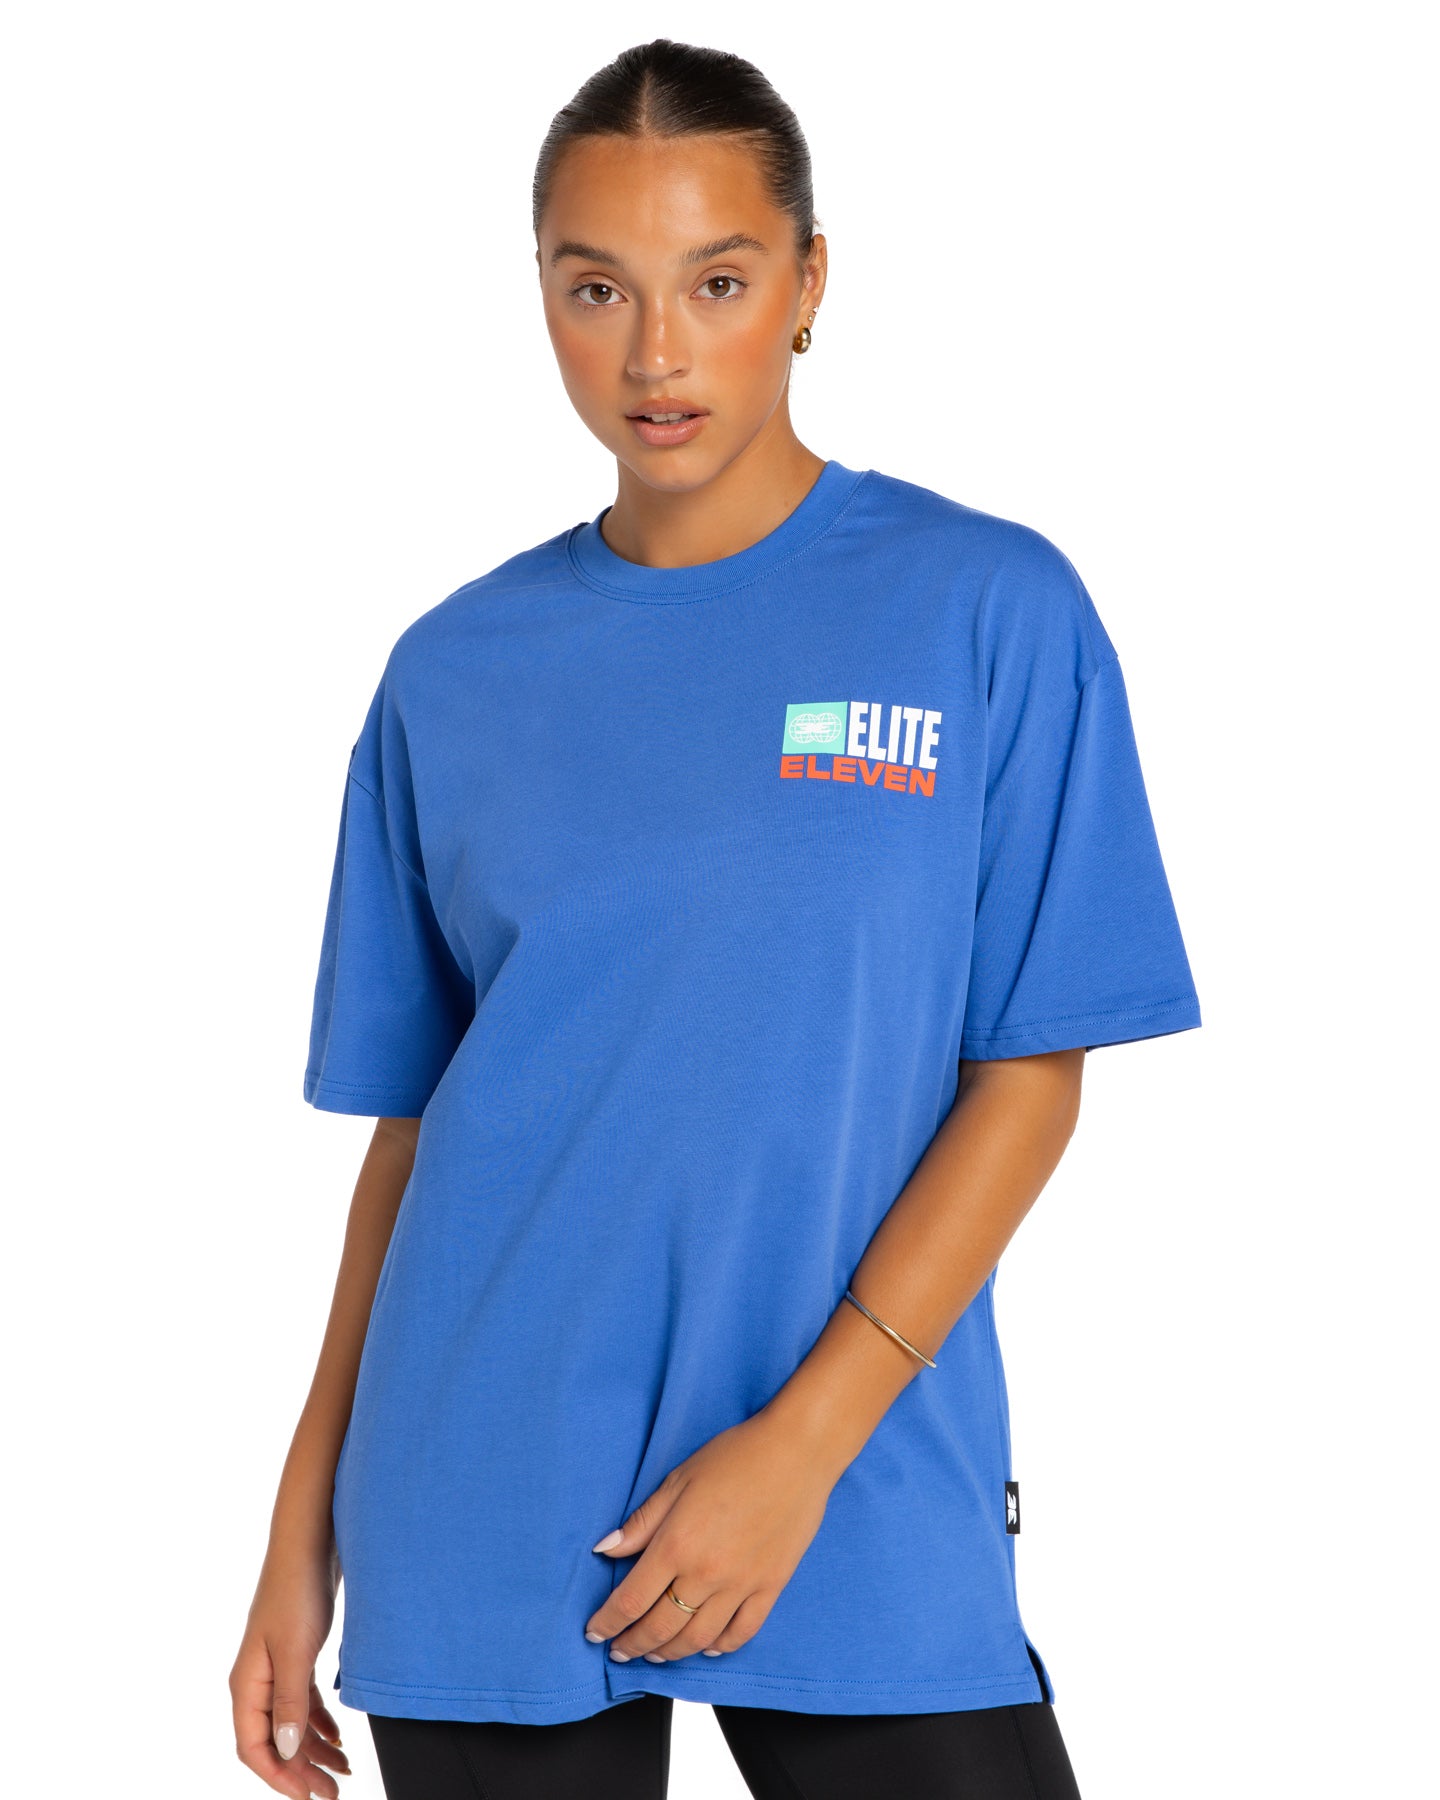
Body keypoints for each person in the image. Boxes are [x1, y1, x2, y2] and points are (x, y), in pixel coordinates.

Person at [229, 36, 1201, 1800]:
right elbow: (414, 1141)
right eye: (596, 287)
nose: (654, 353)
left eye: (719, 281)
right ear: (541, 294)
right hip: (482, 1484)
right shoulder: (452, 671)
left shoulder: (986, 610)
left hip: (858, 1474)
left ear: (811, 283)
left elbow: (1031, 1076)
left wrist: (800, 1450)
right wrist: (301, 1534)